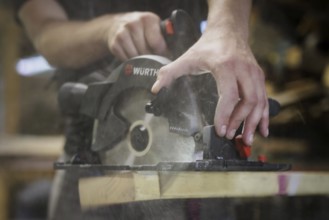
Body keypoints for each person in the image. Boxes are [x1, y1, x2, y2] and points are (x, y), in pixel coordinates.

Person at [16, 0, 269, 219]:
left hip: (194, 158)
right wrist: (108, 28)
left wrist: (227, 31)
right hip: (90, 156)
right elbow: (44, 31)